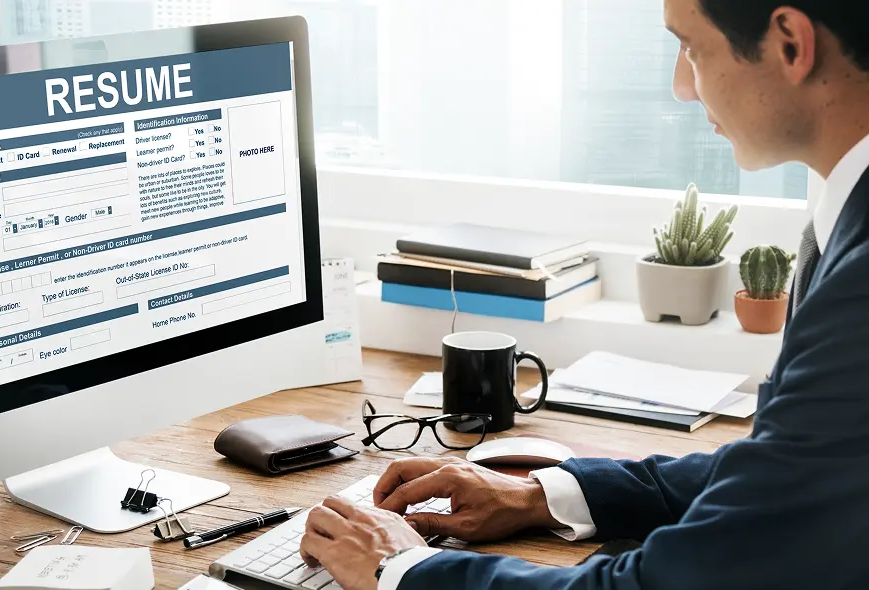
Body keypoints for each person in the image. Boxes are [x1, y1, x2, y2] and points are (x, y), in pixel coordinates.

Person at [298, 0, 869, 588]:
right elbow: (783, 473)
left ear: (790, 45)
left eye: (692, 48)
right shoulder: (844, 218)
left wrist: (404, 568)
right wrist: (541, 496)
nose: (681, 87)